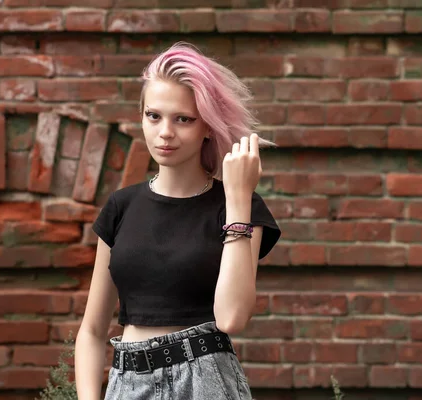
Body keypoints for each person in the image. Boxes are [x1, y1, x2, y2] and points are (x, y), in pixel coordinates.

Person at [74, 42, 282, 400]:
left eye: (182, 119)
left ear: (207, 126)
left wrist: (237, 199)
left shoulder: (239, 206)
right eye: (153, 115)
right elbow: (92, 331)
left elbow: (231, 318)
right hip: (127, 383)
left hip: (204, 383)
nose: (165, 132)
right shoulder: (121, 207)